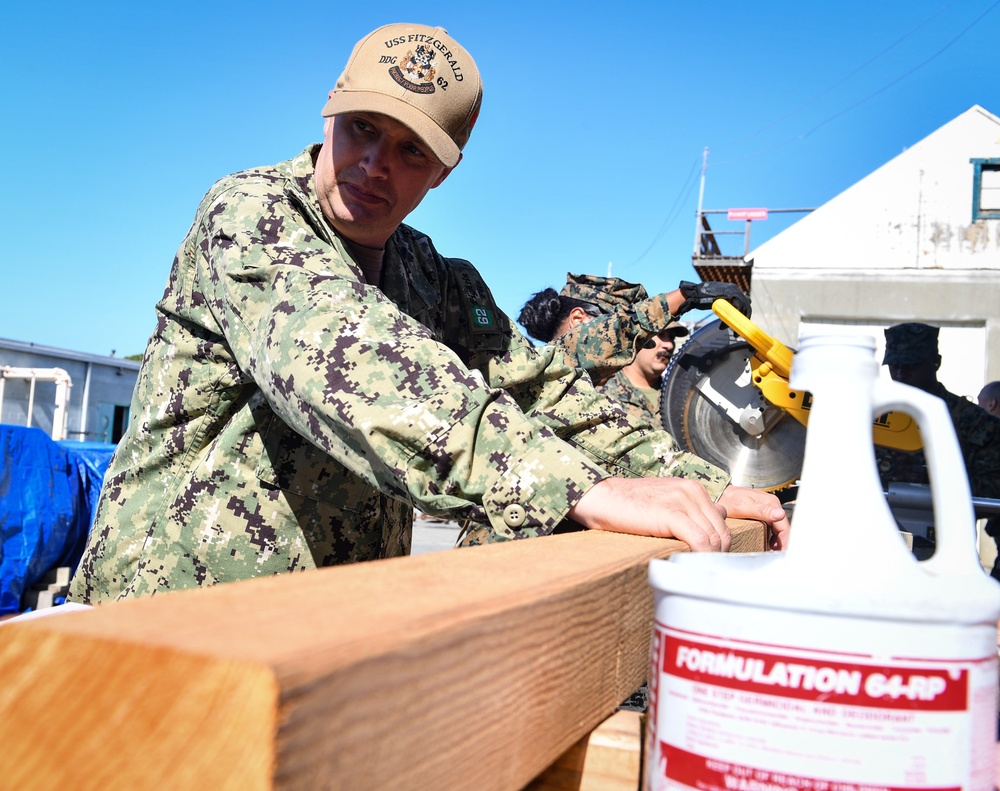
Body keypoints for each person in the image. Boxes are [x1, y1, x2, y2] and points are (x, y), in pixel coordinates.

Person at [68, 22, 788, 605]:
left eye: (410, 150)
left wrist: (706, 483)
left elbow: (548, 394)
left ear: (444, 170)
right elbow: (353, 362)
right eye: (362, 129)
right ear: (329, 113)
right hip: (162, 625)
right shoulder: (252, 216)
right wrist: (579, 487)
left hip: (325, 637)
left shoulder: (433, 277)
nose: (375, 164)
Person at [518, 273, 746, 385]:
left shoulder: (587, 393)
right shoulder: (544, 373)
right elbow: (622, 330)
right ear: (578, 319)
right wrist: (688, 297)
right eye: (609, 322)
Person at [876, 323, 1000, 500]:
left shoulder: (975, 422)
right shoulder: (875, 415)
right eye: (894, 366)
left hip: (945, 525)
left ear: (936, 362)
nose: (900, 374)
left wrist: (930, 480)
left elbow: (994, 490)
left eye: (911, 365)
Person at [598, 321, 689, 426]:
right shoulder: (601, 391)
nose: (669, 345)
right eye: (660, 334)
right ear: (638, 340)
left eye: (672, 338)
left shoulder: (678, 396)